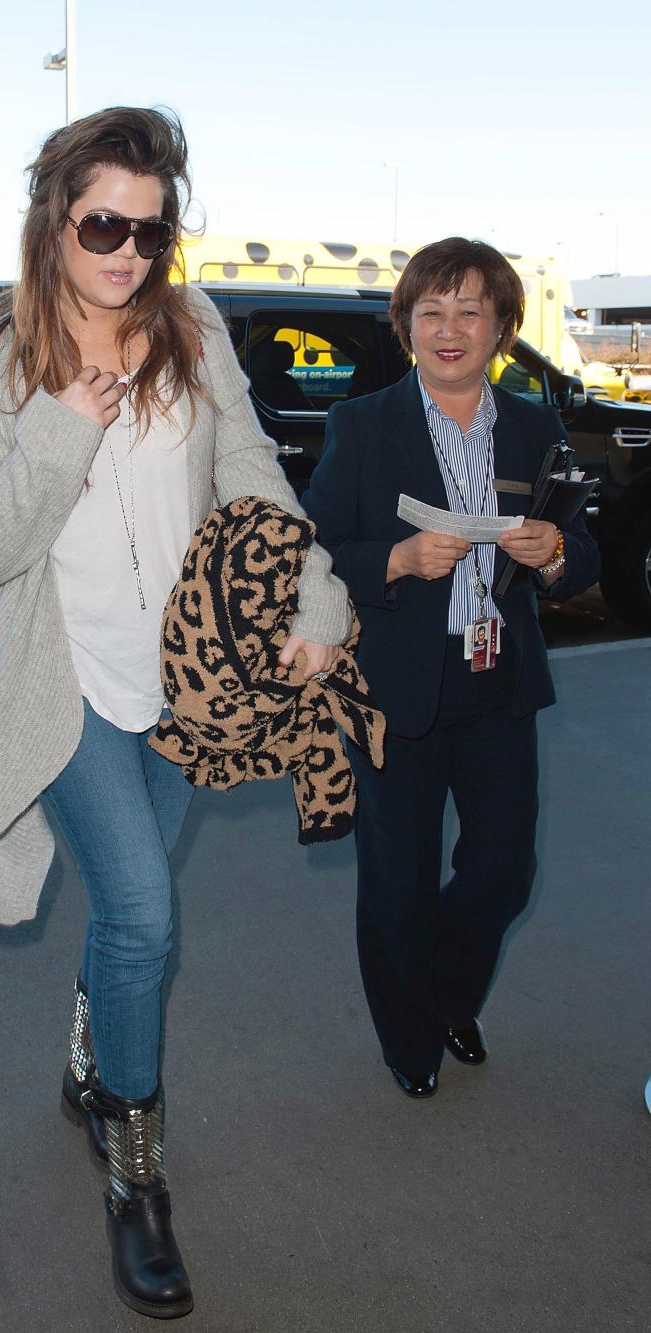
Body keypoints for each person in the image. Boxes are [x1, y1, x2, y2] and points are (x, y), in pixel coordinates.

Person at [0, 106, 350, 1319]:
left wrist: (316, 586)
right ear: (53, 217)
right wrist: (64, 425)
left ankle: (89, 1045)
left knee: (126, 913)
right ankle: (135, 1172)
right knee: (148, 914)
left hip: (191, 683)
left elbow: (250, 469)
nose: (127, 254)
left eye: (149, 233)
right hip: (64, 687)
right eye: (104, 224)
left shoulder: (192, 327)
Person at [302, 236, 600, 1100]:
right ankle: (411, 1040)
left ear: (502, 326)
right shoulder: (362, 426)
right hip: (397, 688)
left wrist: (553, 558)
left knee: (503, 869)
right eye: (431, 310)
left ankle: (445, 994)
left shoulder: (537, 426)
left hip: (499, 682)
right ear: (406, 325)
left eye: (471, 309)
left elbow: (581, 552)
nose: (450, 327)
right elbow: (315, 550)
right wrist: (394, 562)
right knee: (397, 884)